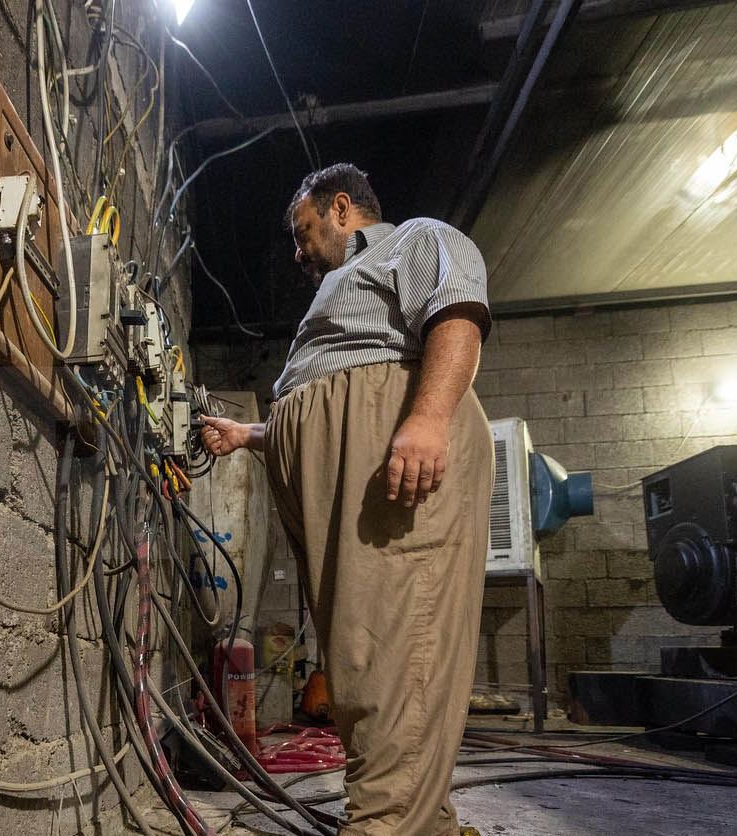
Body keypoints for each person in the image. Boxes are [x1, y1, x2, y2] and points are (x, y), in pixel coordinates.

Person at [201, 163, 493, 836]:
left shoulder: (413, 239)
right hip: (347, 453)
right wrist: (250, 436)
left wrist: (428, 418)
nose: (298, 252)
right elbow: (328, 399)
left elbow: (457, 312)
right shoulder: (341, 287)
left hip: (392, 439)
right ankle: (422, 821)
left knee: (395, 642)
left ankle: (387, 823)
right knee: (358, 651)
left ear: (340, 208)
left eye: (303, 233)